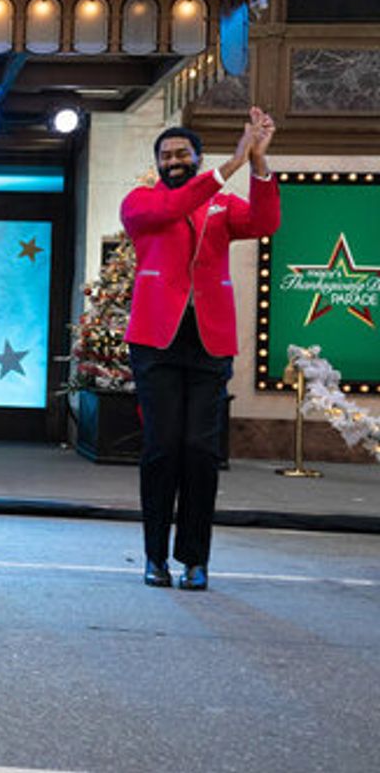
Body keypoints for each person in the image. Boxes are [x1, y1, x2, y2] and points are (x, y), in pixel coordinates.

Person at [122, 107, 278, 591]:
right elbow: (173, 208)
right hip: (156, 341)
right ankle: (154, 558)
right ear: (158, 163)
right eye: (167, 155)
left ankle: (195, 560)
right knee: (161, 449)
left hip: (210, 341)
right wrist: (229, 165)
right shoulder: (141, 202)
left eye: (182, 154)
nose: (174, 161)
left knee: (200, 452)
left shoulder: (221, 208)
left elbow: (264, 221)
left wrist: (257, 164)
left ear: (195, 157)